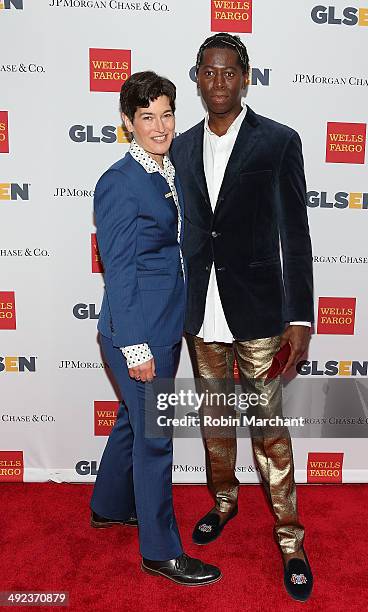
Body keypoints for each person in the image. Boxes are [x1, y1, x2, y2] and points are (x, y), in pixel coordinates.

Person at [171, 34, 314, 601]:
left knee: (269, 433)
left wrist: (300, 316)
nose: (219, 81)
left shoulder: (279, 142)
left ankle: (291, 539)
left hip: (258, 313)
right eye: (208, 72)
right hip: (200, 311)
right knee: (215, 424)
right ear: (197, 78)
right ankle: (224, 503)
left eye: (229, 72)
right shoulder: (180, 147)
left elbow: (296, 236)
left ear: (246, 76)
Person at [90, 71, 221, 587]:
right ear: (128, 121)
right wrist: (136, 344)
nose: (160, 126)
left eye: (167, 114)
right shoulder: (118, 183)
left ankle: (107, 505)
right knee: (154, 437)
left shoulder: (168, 171)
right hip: (136, 332)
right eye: (147, 117)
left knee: (131, 420)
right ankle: (160, 550)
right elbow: (119, 271)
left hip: (165, 324)